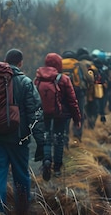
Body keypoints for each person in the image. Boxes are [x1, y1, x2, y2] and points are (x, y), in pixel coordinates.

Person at [0, 48, 43, 214]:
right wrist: (41, 141)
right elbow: (35, 112)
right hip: (18, 139)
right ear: (20, 63)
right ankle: (22, 210)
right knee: (21, 176)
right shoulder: (25, 82)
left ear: (5, 61)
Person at [35, 52, 82, 180]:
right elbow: (72, 101)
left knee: (46, 138)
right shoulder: (64, 79)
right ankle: (57, 169)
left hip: (44, 113)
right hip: (61, 114)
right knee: (59, 139)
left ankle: (46, 161)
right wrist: (77, 118)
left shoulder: (39, 77)